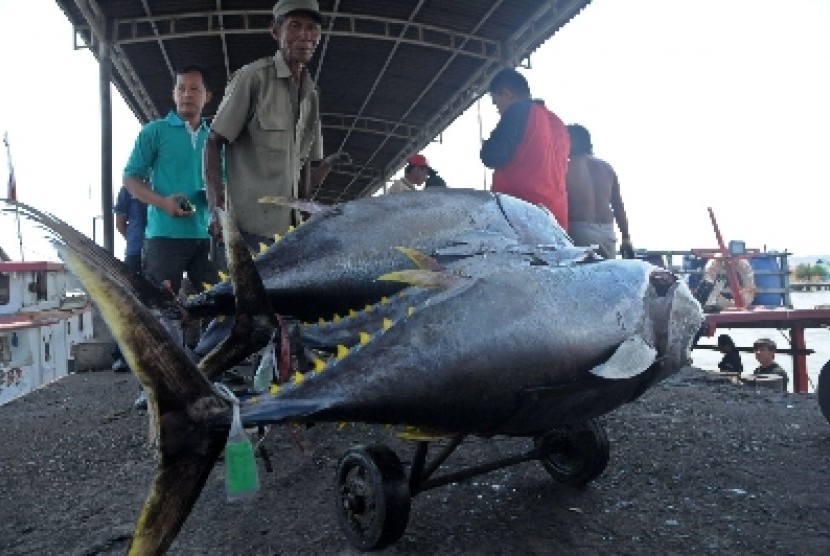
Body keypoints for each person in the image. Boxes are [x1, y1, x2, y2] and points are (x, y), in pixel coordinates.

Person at [203, 0, 346, 250]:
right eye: (295, 26)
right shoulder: (253, 78)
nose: (305, 35)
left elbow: (304, 165)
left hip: (289, 233)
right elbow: (213, 142)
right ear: (275, 32)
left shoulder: (311, 93)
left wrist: (306, 213)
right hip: (247, 230)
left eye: (312, 28)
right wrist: (217, 209)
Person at [123, 65, 219, 297]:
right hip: (163, 237)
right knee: (163, 311)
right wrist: (164, 203)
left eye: (195, 89)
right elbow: (131, 178)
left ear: (208, 96)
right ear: (173, 94)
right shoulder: (154, 131)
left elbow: (223, 182)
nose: (187, 94)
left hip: (208, 237)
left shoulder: (216, 138)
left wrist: (218, 210)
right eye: (181, 88)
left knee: (218, 308)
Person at [479, 68, 570, 228]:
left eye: (496, 101)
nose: (497, 109)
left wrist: (486, 144)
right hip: (556, 220)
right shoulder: (558, 124)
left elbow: (492, 156)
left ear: (507, 94)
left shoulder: (519, 111)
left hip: (522, 216)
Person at [565, 124, 633, 259]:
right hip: (607, 232)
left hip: (579, 229)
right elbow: (618, 207)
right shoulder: (606, 168)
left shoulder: (566, 167)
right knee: (607, 277)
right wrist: (626, 238)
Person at [111, 186, 147, 374]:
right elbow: (120, 223)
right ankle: (120, 355)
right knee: (127, 303)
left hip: (164, 249)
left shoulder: (167, 179)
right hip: (136, 252)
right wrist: (135, 240)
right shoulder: (128, 188)